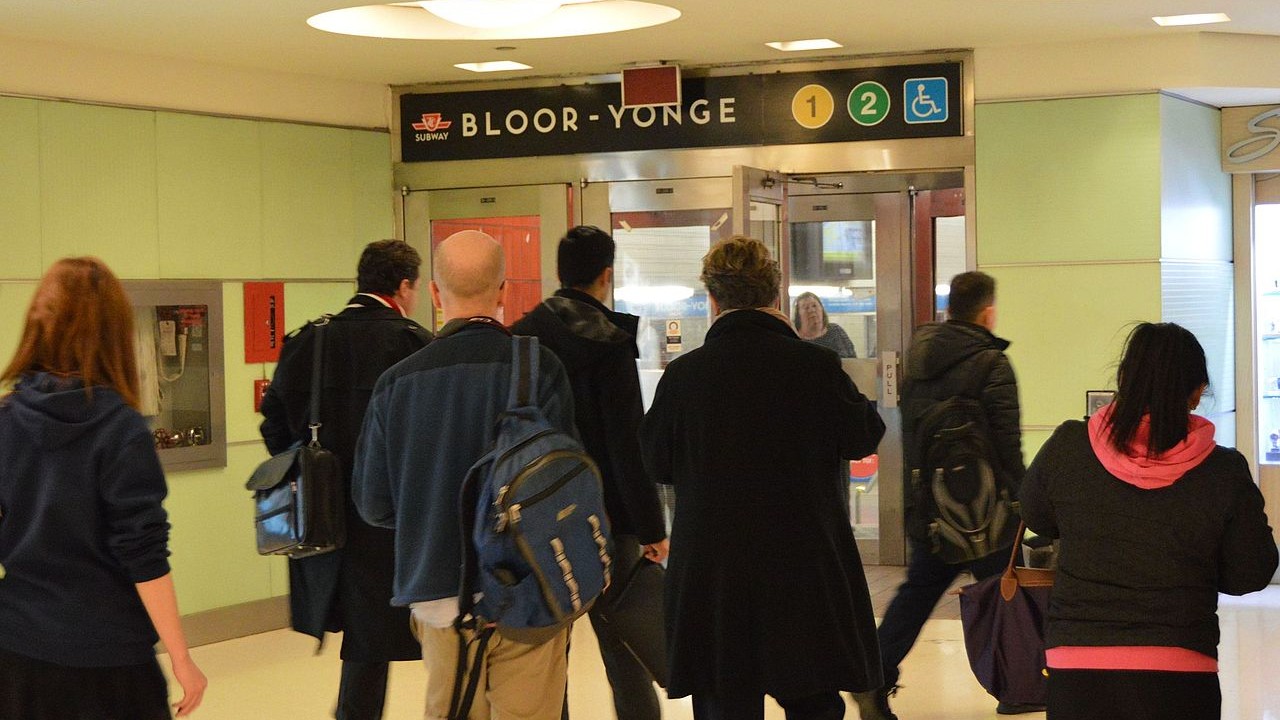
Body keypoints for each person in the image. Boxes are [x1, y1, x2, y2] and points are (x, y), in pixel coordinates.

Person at [639, 236, 886, 720]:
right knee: (813, 697)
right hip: (803, 564)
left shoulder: (685, 376)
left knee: (723, 700)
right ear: (775, 297)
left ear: (713, 300)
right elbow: (864, 436)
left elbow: (656, 463)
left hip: (714, 573)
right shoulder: (815, 366)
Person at [352, 230, 576, 720]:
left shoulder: (397, 383)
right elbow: (567, 483)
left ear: (434, 292)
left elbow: (373, 504)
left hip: (437, 592)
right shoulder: (540, 368)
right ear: (503, 290)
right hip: (529, 589)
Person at [1019, 322, 1278, 720]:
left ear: (1122, 379)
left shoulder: (1069, 445)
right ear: (1196, 394)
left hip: (1077, 665)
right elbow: (1251, 573)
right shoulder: (1223, 470)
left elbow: (1036, 513)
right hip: (1179, 669)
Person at [0, 257, 207, 719]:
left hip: (17, 650)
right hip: (110, 658)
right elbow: (144, 554)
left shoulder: (6, 418)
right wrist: (182, 657)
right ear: (114, 331)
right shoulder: (121, 428)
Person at [259, 239, 431, 720]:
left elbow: (273, 421)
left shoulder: (309, 340)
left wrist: (311, 468)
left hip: (322, 515)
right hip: (392, 519)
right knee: (403, 632)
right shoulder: (413, 344)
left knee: (364, 641)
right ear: (402, 286)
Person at [510, 225, 669, 720]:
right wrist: (651, 527)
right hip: (609, 516)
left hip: (535, 519)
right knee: (625, 648)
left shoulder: (520, 338)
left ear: (558, 273)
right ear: (606, 275)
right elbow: (627, 443)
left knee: (546, 653)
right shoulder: (611, 343)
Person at [855, 270, 1028, 720]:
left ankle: (873, 676)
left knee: (918, 593)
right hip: (987, 511)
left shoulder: (919, 362)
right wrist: (1025, 501)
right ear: (988, 311)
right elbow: (1008, 446)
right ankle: (1016, 687)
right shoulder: (992, 363)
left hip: (933, 506)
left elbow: (913, 439)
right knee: (1004, 591)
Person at [793, 291, 856, 358]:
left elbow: (853, 359)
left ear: (822, 309)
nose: (811, 310)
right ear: (798, 315)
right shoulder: (793, 337)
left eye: (814, 306)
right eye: (806, 307)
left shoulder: (836, 331)